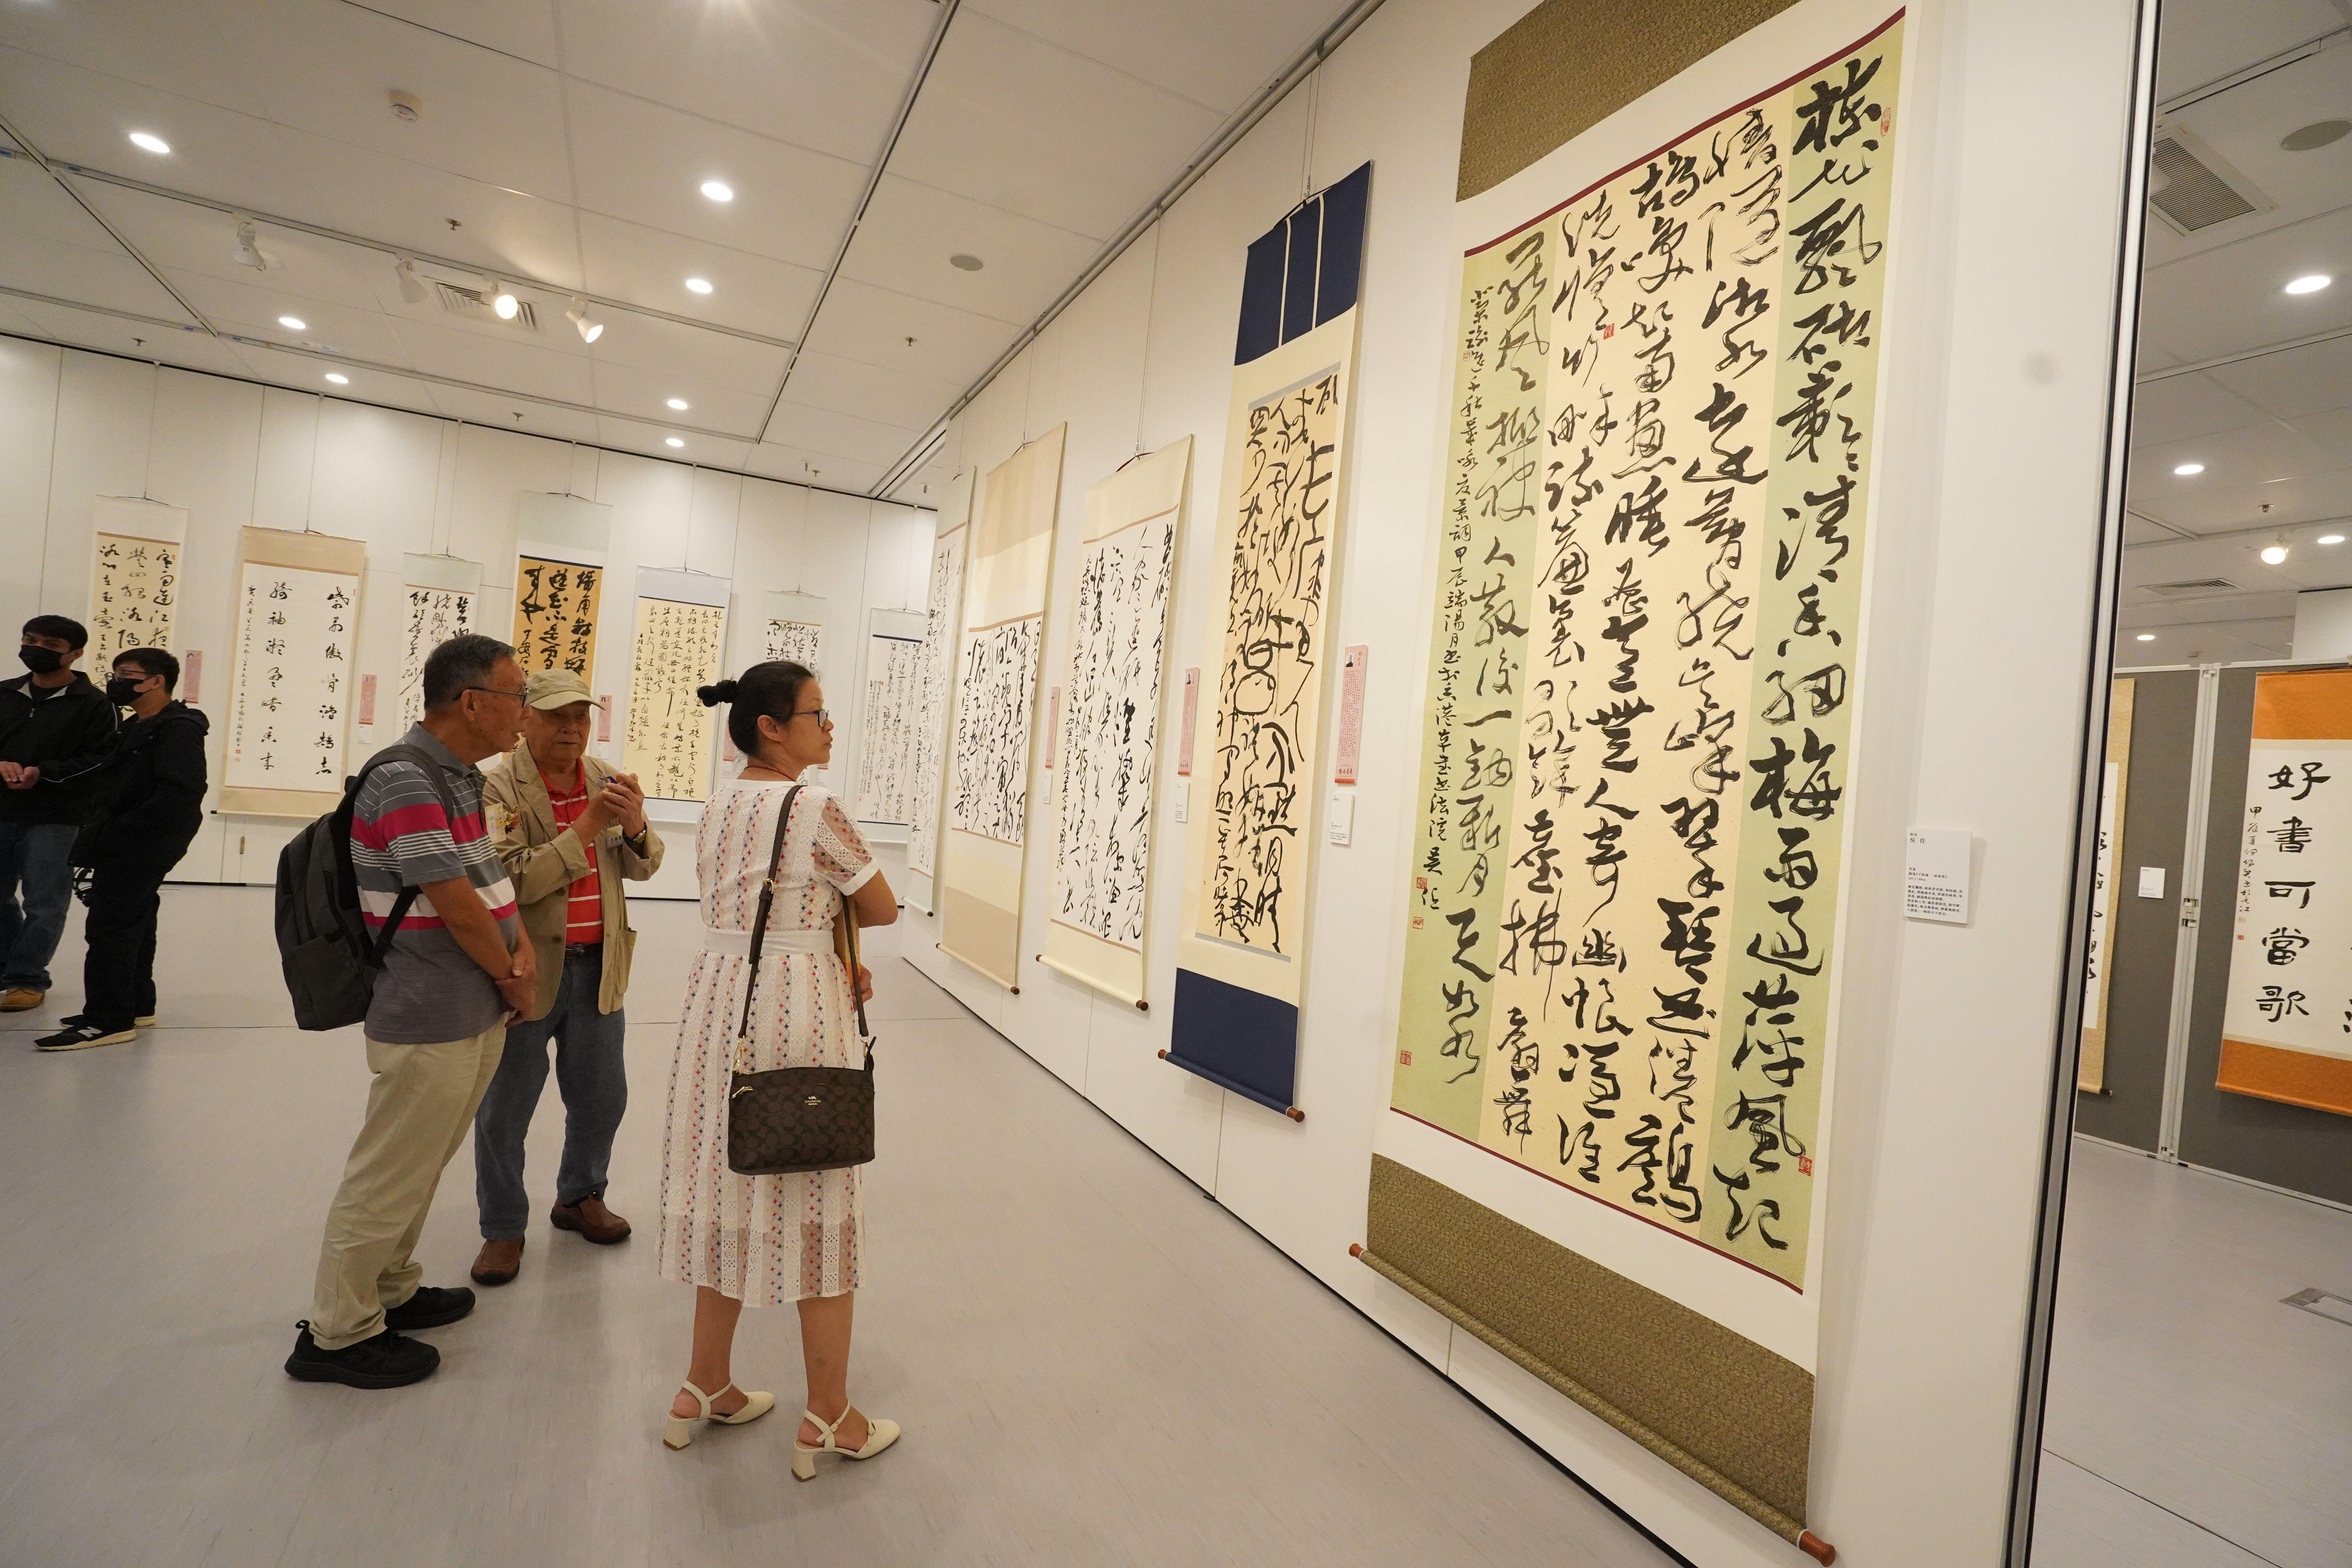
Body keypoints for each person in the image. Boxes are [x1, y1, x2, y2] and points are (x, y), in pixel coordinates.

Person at [655, 660, 901, 1478]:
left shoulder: (720, 802)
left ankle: (703, 1385)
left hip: (719, 1003)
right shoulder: (813, 806)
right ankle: (829, 1414)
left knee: (724, 1185)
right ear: (771, 726)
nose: (829, 727)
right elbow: (881, 905)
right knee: (818, 1196)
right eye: (816, 714)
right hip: (796, 1009)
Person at [285, 633, 533, 1390]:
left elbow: (486, 880)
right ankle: (337, 1332)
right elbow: (455, 904)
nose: (524, 713)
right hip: (429, 1009)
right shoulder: (404, 779)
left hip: (471, 1004)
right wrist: (513, 974)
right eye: (518, 697)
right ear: (473, 702)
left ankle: (389, 1287)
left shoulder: (460, 778)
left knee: (422, 1164)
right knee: (388, 1173)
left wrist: (518, 957)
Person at [469, 668, 664, 1286]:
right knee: (505, 1111)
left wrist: (635, 826)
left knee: (603, 1099)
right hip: (525, 974)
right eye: (557, 716)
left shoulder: (606, 779)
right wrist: (585, 828)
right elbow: (513, 879)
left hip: (600, 968)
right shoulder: (497, 788)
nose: (571, 729)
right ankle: (503, 1227)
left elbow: (646, 865)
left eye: (581, 717)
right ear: (525, 718)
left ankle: (580, 1195)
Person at [38, 648, 210, 1051]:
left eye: (127, 675)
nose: (116, 682)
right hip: (128, 839)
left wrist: (121, 830)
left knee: (110, 927)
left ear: (157, 681)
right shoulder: (139, 724)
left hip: (142, 842)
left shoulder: (178, 729)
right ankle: (135, 1005)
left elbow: (180, 794)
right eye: (114, 674)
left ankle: (108, 1020)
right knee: (136, 920)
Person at [0, 616, 118, 1013]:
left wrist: (45, 773)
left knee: (45, 902)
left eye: (51, 645)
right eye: (30, 640)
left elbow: (102, 760)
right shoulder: (5, 693)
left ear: (76, 654)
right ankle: (7, 965)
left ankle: (28, 977)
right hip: (2, 809)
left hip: (57, 816)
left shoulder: (95, 704)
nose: (37, 649)